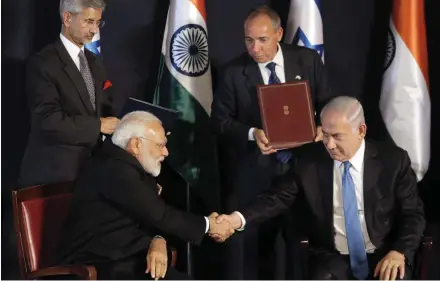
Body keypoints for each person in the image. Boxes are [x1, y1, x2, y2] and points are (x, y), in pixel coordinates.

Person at [217, 96, 426, 280]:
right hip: (331, 255)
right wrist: (235, 219)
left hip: (383, 252)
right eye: (325, 134)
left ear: (361, 131)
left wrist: (400, 251)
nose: (330, 145)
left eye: (337, 136)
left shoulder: (393, 161)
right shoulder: (309, 161)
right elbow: (275, 198)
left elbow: (413, 215)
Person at [210, 5, 332, 279]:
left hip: (303, 169)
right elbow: (218, 121)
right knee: (250, 255)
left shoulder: (308, 60)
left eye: (262, 39)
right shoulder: (233, 72)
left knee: (295, 253)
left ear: (279, 33)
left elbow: (328, 105)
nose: (255, 48)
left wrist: (322, 129)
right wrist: (253, 134)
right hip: (256, 174)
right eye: (248, 40)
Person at [58, 111, 234, 280]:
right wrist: (209, 225)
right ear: (136, 144)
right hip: (95, 267)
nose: (166, 152)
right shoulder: (113, 170)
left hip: (125, 259)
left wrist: (157, 240)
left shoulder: (131, 168)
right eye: (160, 145)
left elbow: (147, 219)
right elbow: (160, 215)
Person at [18, 0, 119, 188]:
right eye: (88, 21)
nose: (94, 30)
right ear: (67, 18)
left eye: (98, 23)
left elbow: (105, 108)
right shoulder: (43, 63)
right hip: (54, 177)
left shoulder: (95, 63)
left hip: (92, 174)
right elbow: (48, 121)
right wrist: (98, 125)